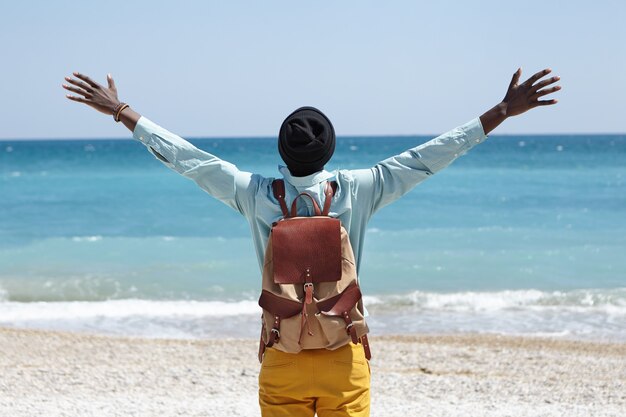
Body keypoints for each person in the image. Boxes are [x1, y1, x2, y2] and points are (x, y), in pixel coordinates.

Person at [62, 68, 560, 417]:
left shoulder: (253, 193)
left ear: (280, 150)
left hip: (283, 355)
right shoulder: (362, 187)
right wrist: (501, 112)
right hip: (345, 357)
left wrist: (123, 112)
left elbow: (189, 160)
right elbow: (430, 157)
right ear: (331, 150)